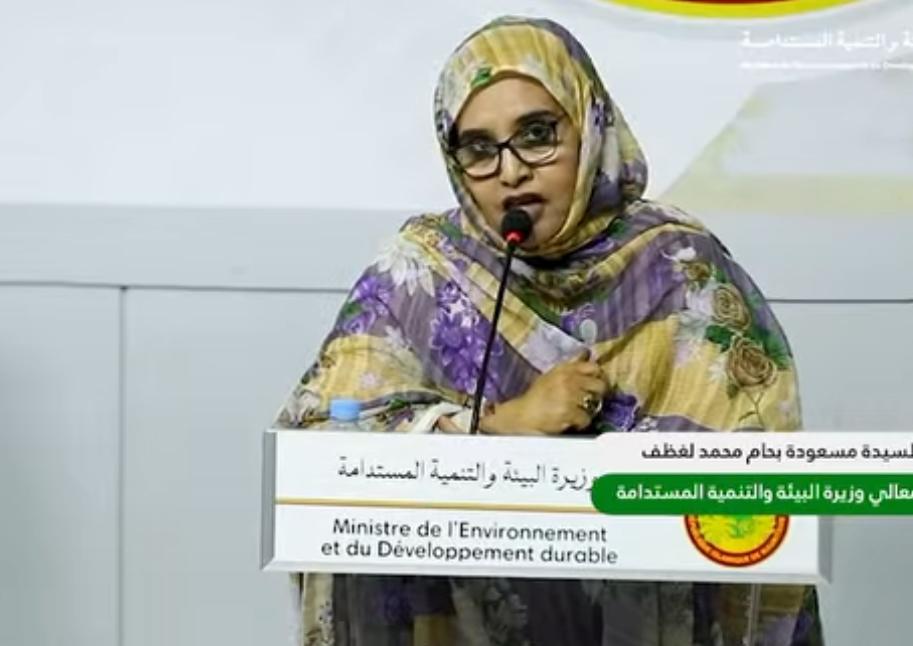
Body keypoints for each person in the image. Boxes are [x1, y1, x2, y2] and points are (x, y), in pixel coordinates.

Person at [276, 15, 824, 646]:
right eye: (479, 149)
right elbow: (315, 445)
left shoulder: (680, 267)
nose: (511, 172)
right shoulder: (421, 271)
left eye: (537, 135)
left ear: (589, 125)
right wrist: (498, 424)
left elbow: (751, 474)